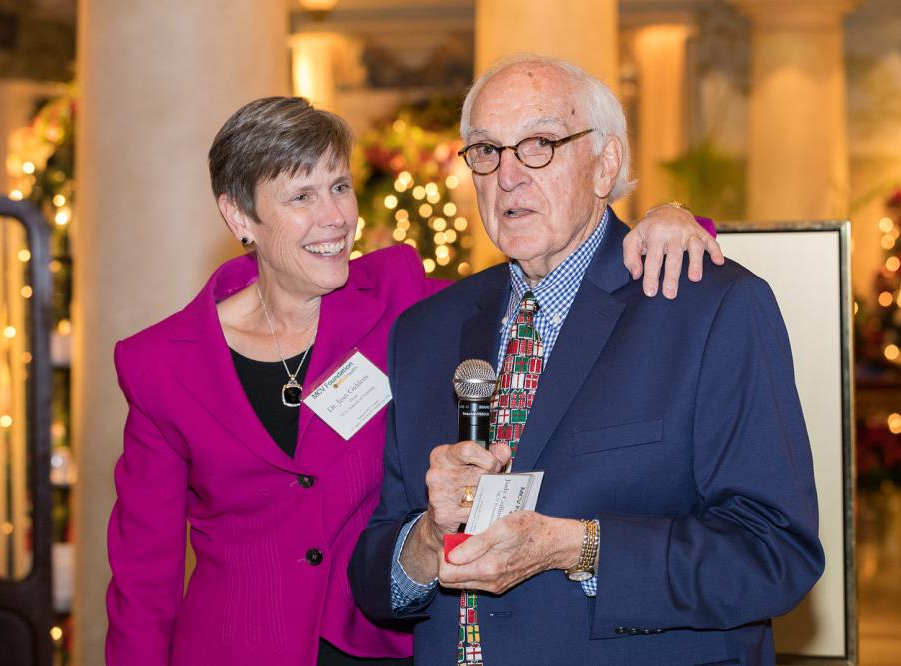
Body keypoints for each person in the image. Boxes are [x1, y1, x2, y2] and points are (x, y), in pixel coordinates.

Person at [105, 96, 721, 665]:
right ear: (240, 215)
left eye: (339, 187)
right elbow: (143, 576)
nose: (334, 219)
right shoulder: (163, 363)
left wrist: (670, 222)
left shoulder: (397, 299)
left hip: (377, 638)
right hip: (237, 646)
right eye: (301, 197)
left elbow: (540, 300)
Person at [348, 55, 825, 666]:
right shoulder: (426, 331)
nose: (509, 176)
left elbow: (775, 553)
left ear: (605, 165)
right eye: (487, 151)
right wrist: (426, 539)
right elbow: (375, 578)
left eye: (540, 144)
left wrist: (579, 548)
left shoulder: (706, 308)